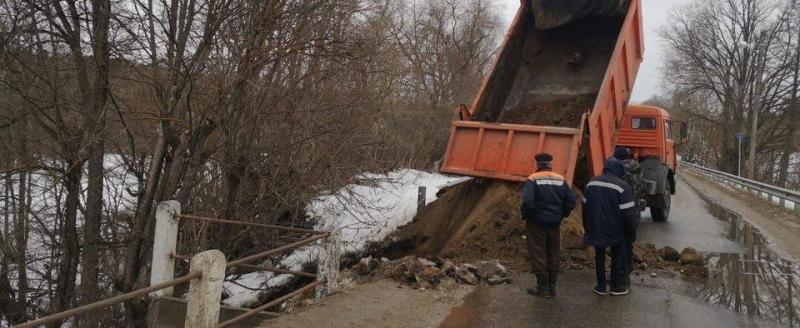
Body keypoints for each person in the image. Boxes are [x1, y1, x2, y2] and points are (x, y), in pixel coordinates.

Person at [521, 153, 577, 298]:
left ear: (538, 165)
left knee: (539, 253)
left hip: (536, 222)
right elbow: (571, 200)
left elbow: (527, 201)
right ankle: (552, 288)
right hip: (554, 222)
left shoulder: (533, 179)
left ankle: (542, 288)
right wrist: (562, 215)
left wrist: (526, 216)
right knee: (553, 252)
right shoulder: (560, 179)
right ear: (550, 164)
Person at [582, 158, 637, 296]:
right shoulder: (622, 186)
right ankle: (615, 286)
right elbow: (629, 215)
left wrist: (587, 227)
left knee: (599, 256)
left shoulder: (591, 183)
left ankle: (600, 286)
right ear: (618, 170)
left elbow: (585, 208)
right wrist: (631, 234)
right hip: (616, 229)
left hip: (596, 227)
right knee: (617, 256)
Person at [613, 147, 643, 288]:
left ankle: (621, 277)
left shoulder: (620, 173)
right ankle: (624, 274)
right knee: (627, 244)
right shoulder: (637, 170)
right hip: (634, 213)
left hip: (621, 213)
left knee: (620, 247)